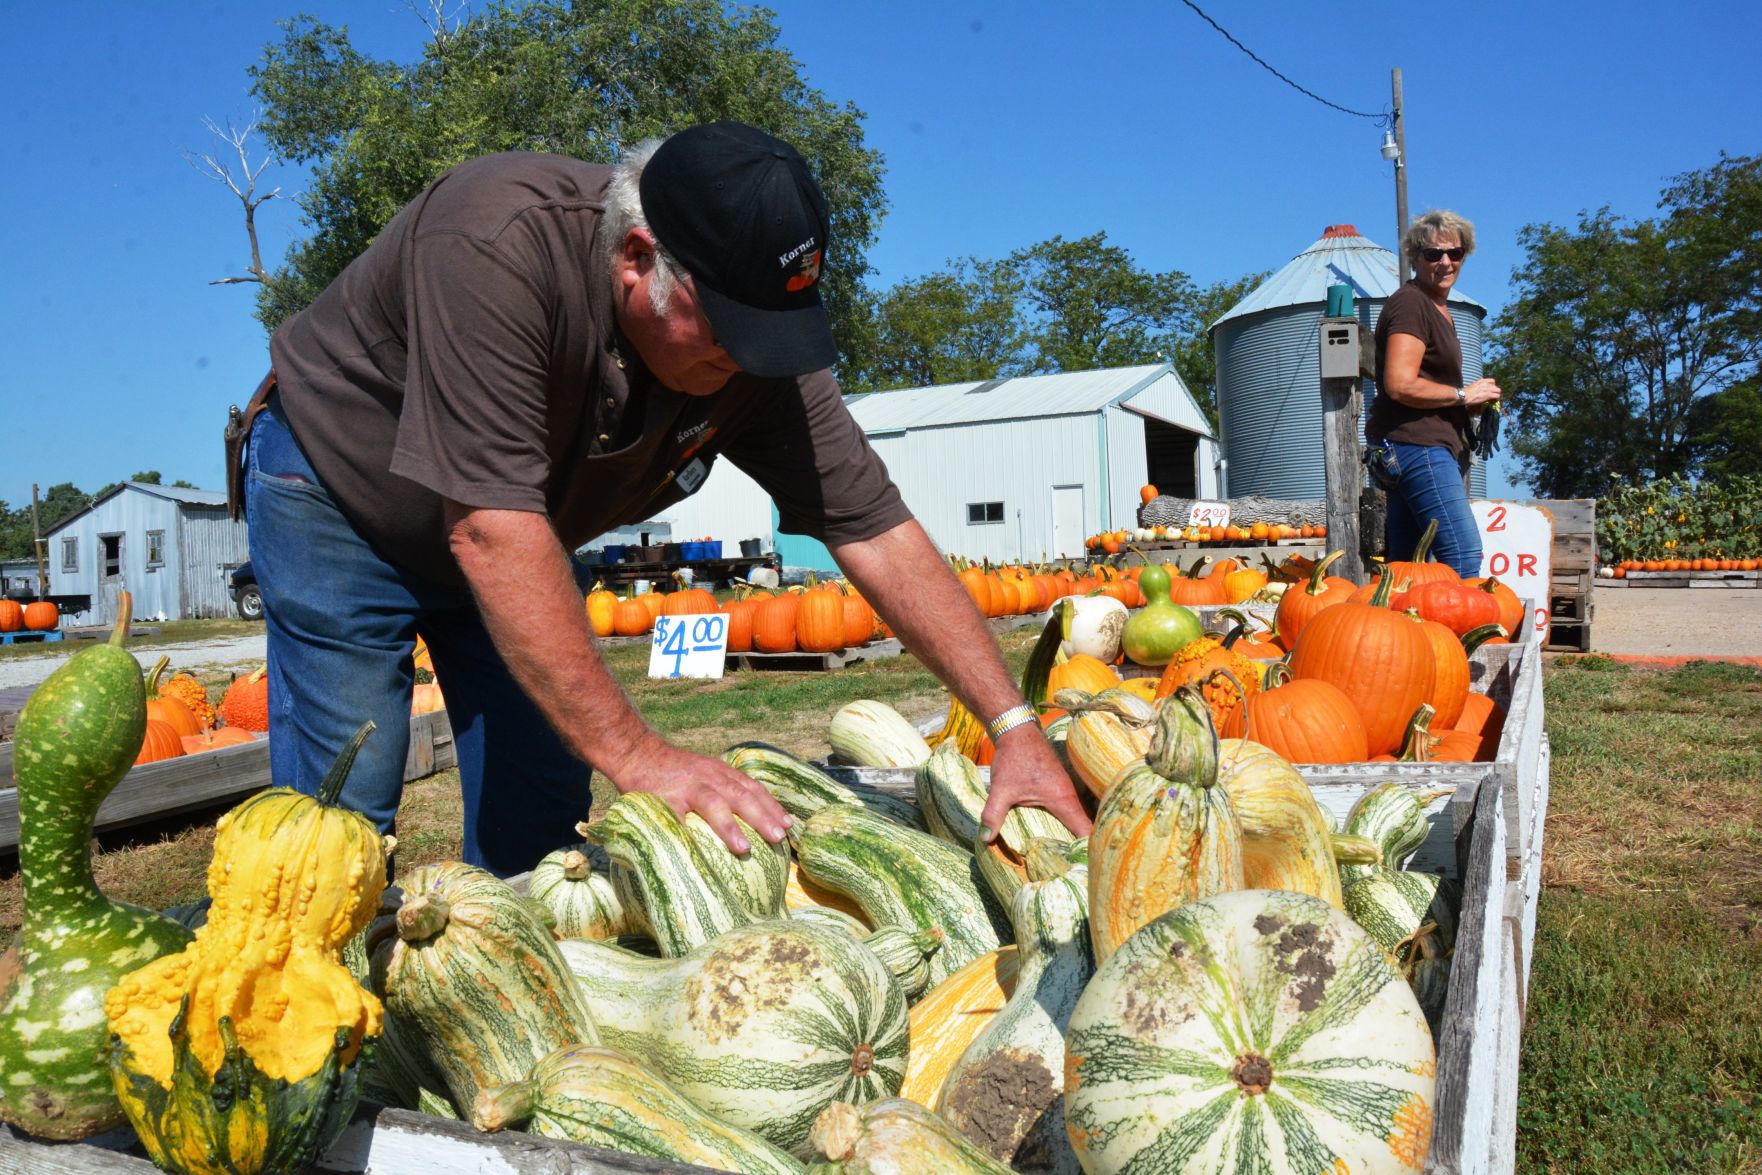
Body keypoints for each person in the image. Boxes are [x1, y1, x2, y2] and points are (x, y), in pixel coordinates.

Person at [230, 121, 1090, 877]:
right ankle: (303, 1053)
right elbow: (491, 531)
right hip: (339, 494)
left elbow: (875, 527)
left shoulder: (756, 362)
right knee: (336, 818)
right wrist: (643, 755)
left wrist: (1012, 725)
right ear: (637, 258)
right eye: (727, 336)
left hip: (503, 532)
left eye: (772, 338)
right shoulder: (495, 237)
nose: (752, 364)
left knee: (544, 809)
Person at [1366, 209, 1502, 577]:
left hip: (1413, 446)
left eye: (1454, 254)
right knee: (1461, 553)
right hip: (1418, 447)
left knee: (1407, 568)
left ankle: (1400, 634)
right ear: (1415, 257)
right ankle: (1460, 636)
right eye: (1433, 254)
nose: (1445, 262)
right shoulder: (1412, 304)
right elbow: (1399, 383)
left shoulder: (1439, 308)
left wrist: (1470, 405)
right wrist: (1462, 396)